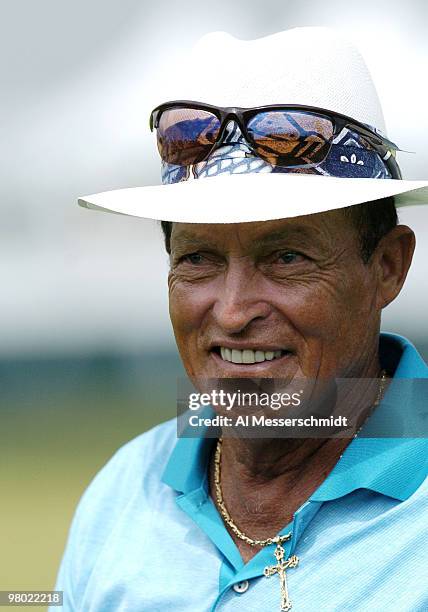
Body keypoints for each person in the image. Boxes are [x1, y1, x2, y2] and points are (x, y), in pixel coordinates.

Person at [52, 28, 428, 611]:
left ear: (386, 267)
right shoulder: (126, 489)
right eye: (198, 259)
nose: (231, 311)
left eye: (286, 258)